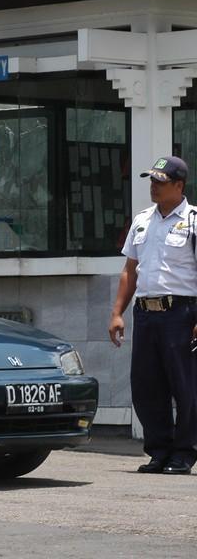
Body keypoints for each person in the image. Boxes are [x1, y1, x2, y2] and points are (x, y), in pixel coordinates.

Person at [108, 155, 197, 475]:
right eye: (152, 181)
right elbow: (129, 271)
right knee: (147, 386)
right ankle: (158, 451)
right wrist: (117, 312)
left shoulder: (193, 221)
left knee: (186, 386)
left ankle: (184, 453)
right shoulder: (142, 219)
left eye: (160, 182)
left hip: (182, 313)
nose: (154, 187)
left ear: (179, 185)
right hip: (145, 313)